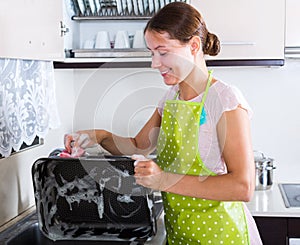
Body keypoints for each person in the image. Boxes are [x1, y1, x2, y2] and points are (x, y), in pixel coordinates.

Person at [64, 2, 262, 244]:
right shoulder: (170, 98)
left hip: (224, 236)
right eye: (152, 52)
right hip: (181, 235)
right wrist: (100, 136)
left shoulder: (224, 99)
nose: (154, 63)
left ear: (194, 46)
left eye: (163, 52)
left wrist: (163, 180)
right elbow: (138, 145)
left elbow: (243, 186)